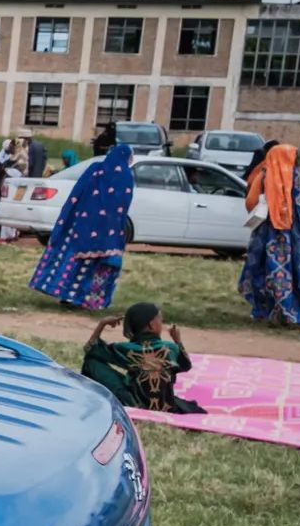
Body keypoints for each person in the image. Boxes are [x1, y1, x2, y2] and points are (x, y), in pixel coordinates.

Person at [30, 145, 134, 310]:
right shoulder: (126, 176)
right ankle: (91, 301)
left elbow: (77, 193)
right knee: (95, 266)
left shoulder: (95, 169)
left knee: (73, 261)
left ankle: (66, 296)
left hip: (81, 226)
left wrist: (69, 218)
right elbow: (122, 205)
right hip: (108, 233)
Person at [239, 144, 300, 327]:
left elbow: (250, 203)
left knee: (265, 270)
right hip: (299, 235)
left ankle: (266, 311)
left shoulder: (263, 176)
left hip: (267, 234)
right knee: (299, 272)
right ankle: (297, 313)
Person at [81, 304, 203, 414]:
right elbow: (186, 365)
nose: (162, 322)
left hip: (133, 403)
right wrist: (178, 341)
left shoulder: (125, 349)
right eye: (160, 319)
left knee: (91, 362)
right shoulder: (170, 348)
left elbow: (89, 350)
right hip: (167, 405)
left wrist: (102, 324)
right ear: (151, 324)